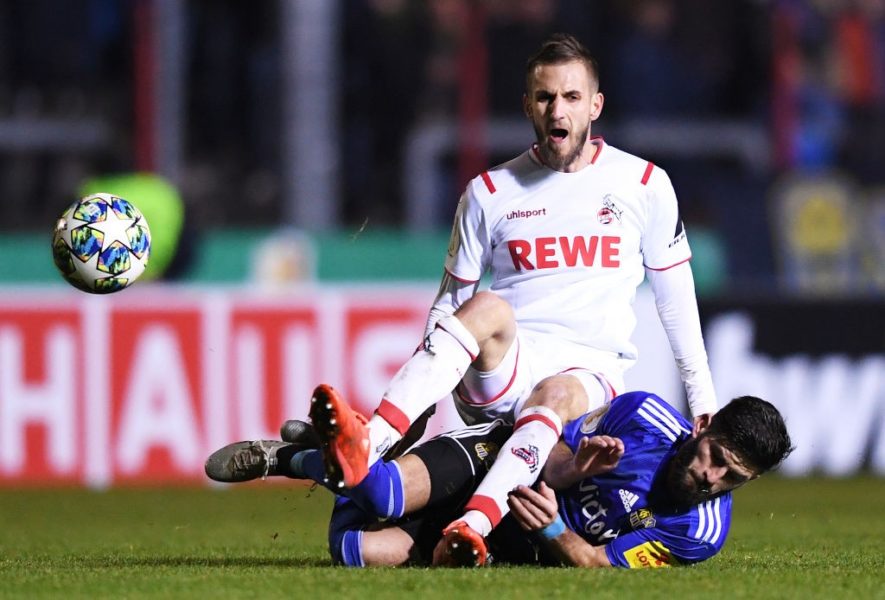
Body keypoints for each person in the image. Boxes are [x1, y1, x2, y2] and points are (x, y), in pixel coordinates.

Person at [309, 31, 719, 545]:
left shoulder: (644, 185)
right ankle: (372, 439)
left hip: (588, 378)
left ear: (595, 105)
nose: (557, 110)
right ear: (527, 105)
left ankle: (468, 525)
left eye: (571, 97)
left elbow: (675, 296)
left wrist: (702, 393)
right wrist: (419, 404)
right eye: (545, 97)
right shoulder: (489, 192)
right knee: (487, 307)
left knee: (554, 394)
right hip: (504, 372)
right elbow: (451, 303)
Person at [205, 392, 793, 568]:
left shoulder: (700, 533)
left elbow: (599, 567)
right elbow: (542, 449)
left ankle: (333, 454)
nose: (711, 476)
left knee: (352, 551)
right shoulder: (639, 415)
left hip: (519, 531)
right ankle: (288, 460)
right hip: (497, 455)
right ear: (703, 427)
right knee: (382, 492)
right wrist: (571, 469)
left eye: (732, 477)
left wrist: (557, 528)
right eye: (714, 455)